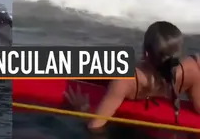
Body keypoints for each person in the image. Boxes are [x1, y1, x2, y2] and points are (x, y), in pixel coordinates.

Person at [65, 21, 200, 130]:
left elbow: (95, 126)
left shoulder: (125, 80)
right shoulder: (193, 69)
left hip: (129, 90)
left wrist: (83, 110)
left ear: (146, 53)